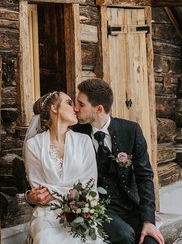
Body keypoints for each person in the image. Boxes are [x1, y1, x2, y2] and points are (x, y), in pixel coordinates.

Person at [28, 79, 164, 244]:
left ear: (99, 109)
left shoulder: (130, 131)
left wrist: (149, 220)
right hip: (98, 208)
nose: (75, 109)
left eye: (80, 104)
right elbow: (37, 179)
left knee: (151, 242)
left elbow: (145, 177)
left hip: (130, 206)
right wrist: (31, 196)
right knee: (124, 235)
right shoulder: (75, 131)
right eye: (73, 103)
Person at [23, 91, 106, 244]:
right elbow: (38, 188)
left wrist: (54, 191)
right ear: (54, 108)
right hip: (47, 214)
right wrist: (68, 190)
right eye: (69, 103)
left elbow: (90, 185)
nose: (75, 108)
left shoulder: (84, 141)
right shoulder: (34, 145)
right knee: (46, 240)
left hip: (79, 212)